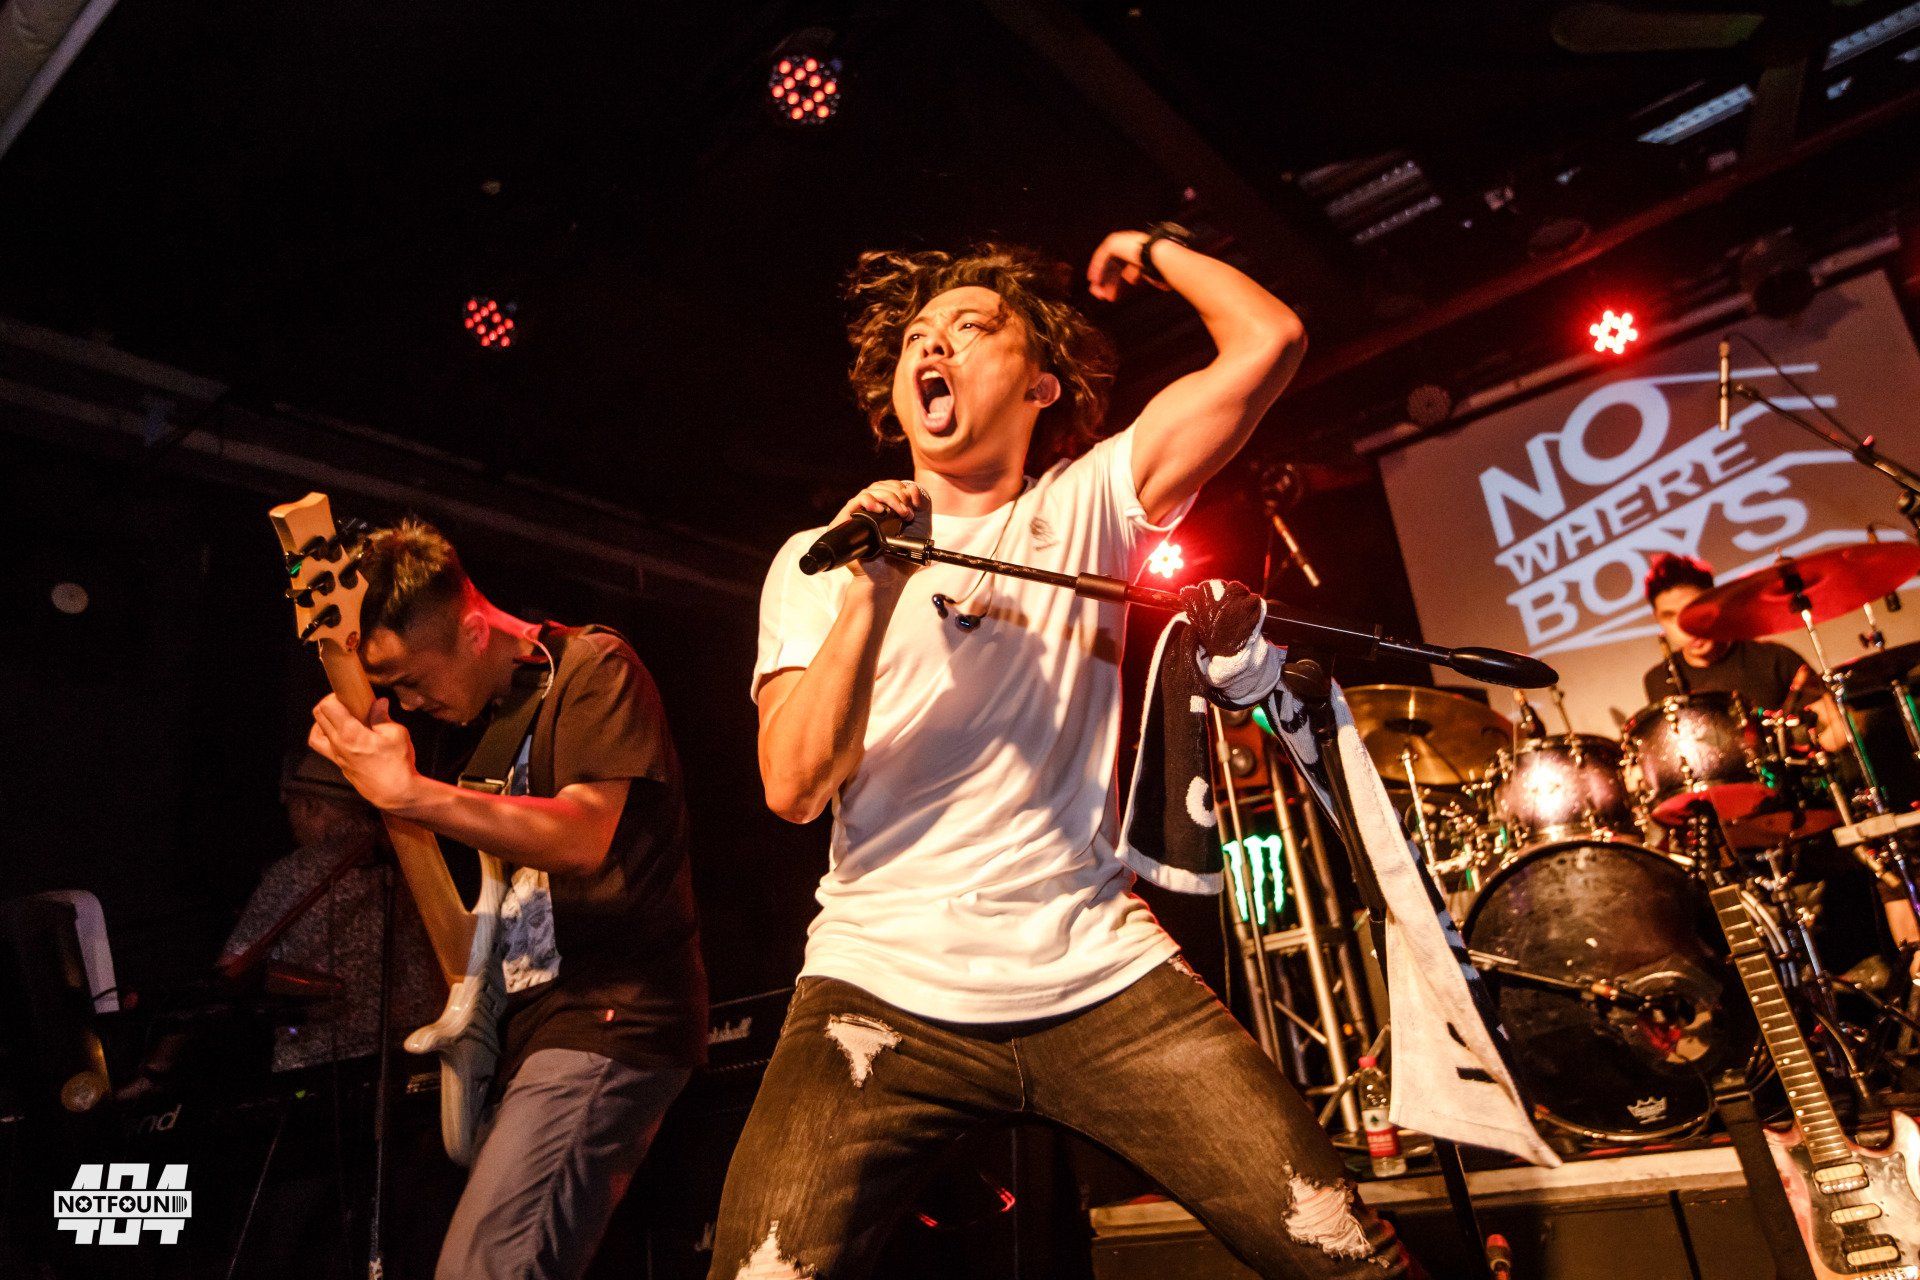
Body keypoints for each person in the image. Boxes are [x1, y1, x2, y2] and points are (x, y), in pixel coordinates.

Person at [716, 229, 1413, 1279]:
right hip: (878, 982)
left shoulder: (1084, 502)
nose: (932, 346)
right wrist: (872, 591)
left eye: (970, 327)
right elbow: (794, 787)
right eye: (915, 336)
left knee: (1347, 1257)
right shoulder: (819, 564)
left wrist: (1151, 246)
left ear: (1042, 383)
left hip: (1099, 972)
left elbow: (1269, 337)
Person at [304, 519, 707, 1280]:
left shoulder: (594, 667)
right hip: (532, 1031)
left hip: (612, 1014)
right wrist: (398, 796)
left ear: (474, 629)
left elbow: (584, 836)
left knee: (482, 1268)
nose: (412, 704)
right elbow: (482, 923)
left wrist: (415, 793)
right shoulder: (482, 728)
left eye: (413, 680)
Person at [1641, 551, 1844, 751]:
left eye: (1693, 610)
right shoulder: (1658, 681)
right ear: (1657, 619)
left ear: (1715, 603)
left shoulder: (1774, 659)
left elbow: (1835, 732)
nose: (1685, 625)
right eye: (1670, 616)